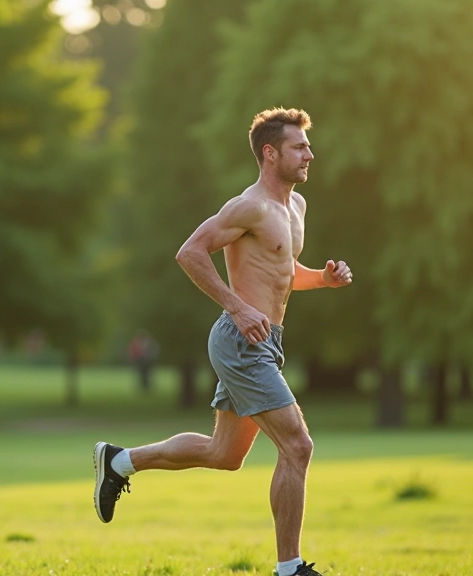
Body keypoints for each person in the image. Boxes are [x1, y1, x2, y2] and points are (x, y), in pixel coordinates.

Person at [93, 108, 352, 576]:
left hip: (266, 340)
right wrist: (237, 306)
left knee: (224, 455)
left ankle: (120, 462)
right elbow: (189, 252)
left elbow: (285, 274)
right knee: (298, 446)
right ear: (270, 154)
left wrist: (325, 281)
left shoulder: (296, 208)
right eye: (300, 146)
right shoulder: (247, 206)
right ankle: (290, 569)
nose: (310, 154)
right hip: (240, 340)